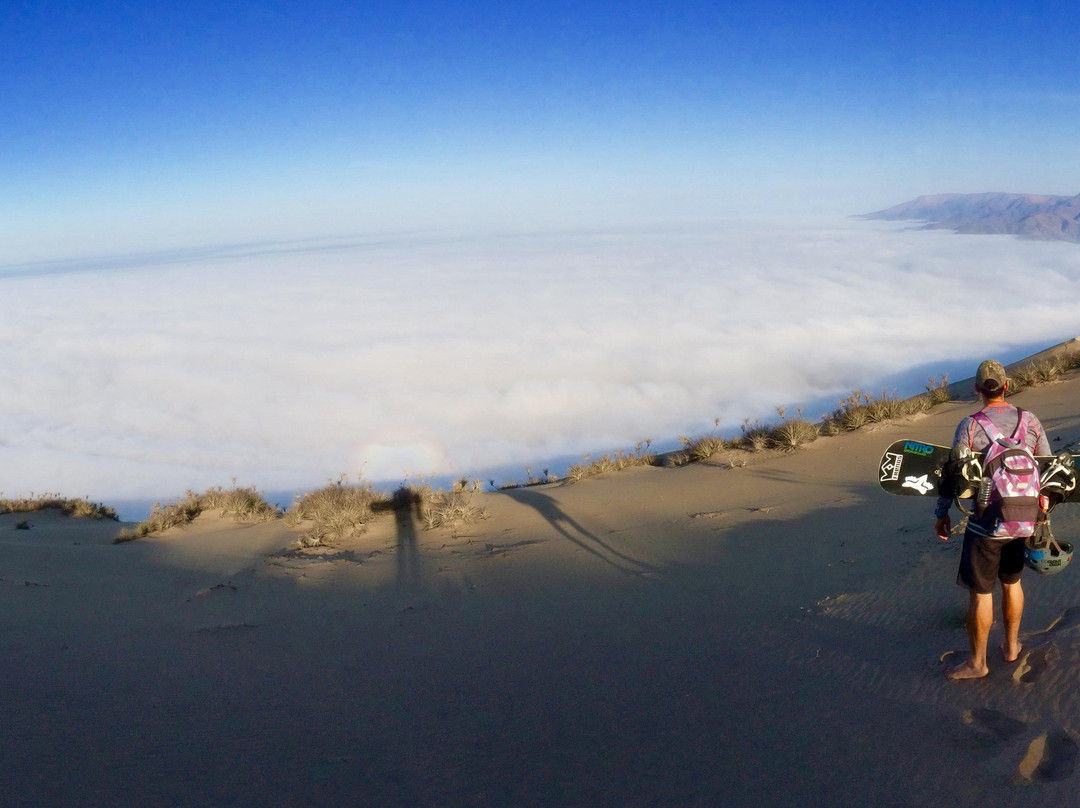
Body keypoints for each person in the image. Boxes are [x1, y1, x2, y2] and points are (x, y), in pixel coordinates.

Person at [934, 359, 1051, 680]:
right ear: (1006, 386)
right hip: (1024, 519)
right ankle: (1012, 648)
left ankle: (977, 663)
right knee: (1012, 582)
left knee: (981, 592)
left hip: (986, 523)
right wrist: (1040, 513)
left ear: (977, 390)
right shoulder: (1030, 421)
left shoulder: (970, 425)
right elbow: (1046, 469)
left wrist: (942, 512)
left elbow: (954, 476)